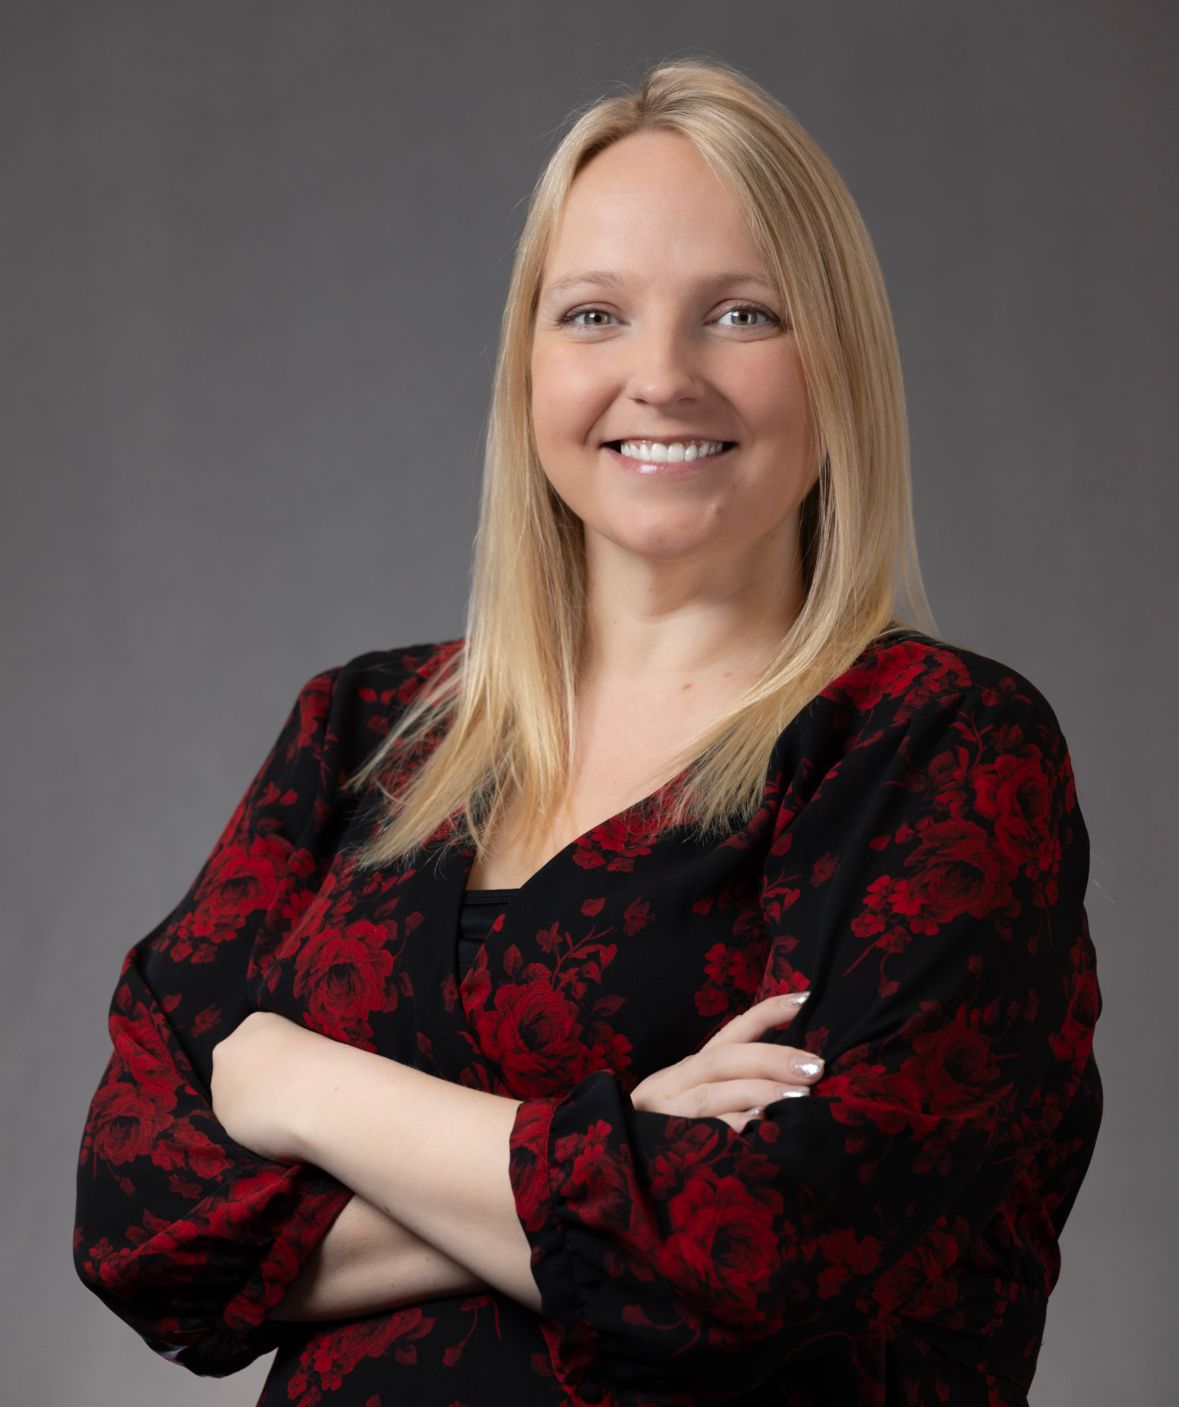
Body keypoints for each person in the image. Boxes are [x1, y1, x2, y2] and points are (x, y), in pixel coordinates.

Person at [73, 55, 1102, 1407]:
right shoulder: (365, 734)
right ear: (530, 366)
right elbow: (136, 1226)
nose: (660, 377)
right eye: (596, 314)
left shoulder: (939, 748)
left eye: (741, 313)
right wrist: (624, 1146)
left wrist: (295, 1082)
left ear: (838, 358)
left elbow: (770, 1253)